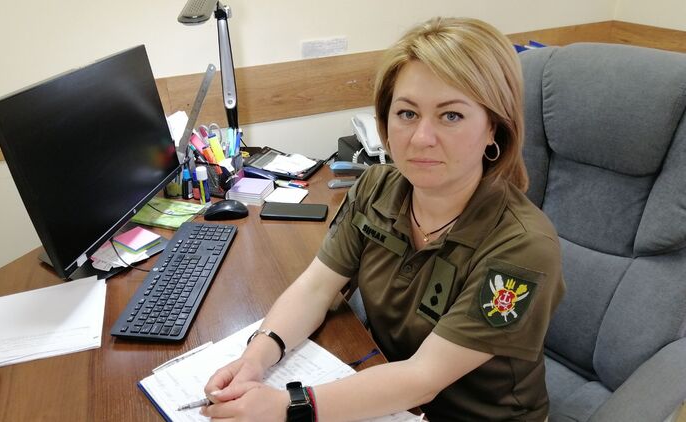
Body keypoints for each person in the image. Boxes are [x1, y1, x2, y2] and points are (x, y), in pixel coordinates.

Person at [201, 17, 565, 422]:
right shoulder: (376, 187)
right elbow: (317, 287)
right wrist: (255, 358)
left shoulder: (524, 247)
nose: (421, 138)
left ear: (494, 128)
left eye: (451, 116)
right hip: (386, 391)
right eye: (407, 113)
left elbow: (424, 377)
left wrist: (287, 407)